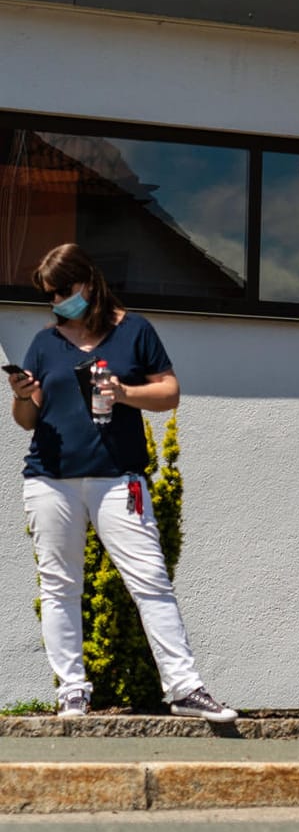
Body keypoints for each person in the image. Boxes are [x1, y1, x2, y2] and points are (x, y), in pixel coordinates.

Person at [8, 243, 236, 722]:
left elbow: (170, 392)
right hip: (51, 479)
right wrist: (24, 395)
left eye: (62, 292)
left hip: (119, 478)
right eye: (50, 296)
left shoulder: (134, 330)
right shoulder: (46, 341)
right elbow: (26, 420)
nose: (56, 303)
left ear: (87, 282)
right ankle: (72, 692)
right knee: (59, 586)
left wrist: (125, 393)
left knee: (151, 581)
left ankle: (185, 689)